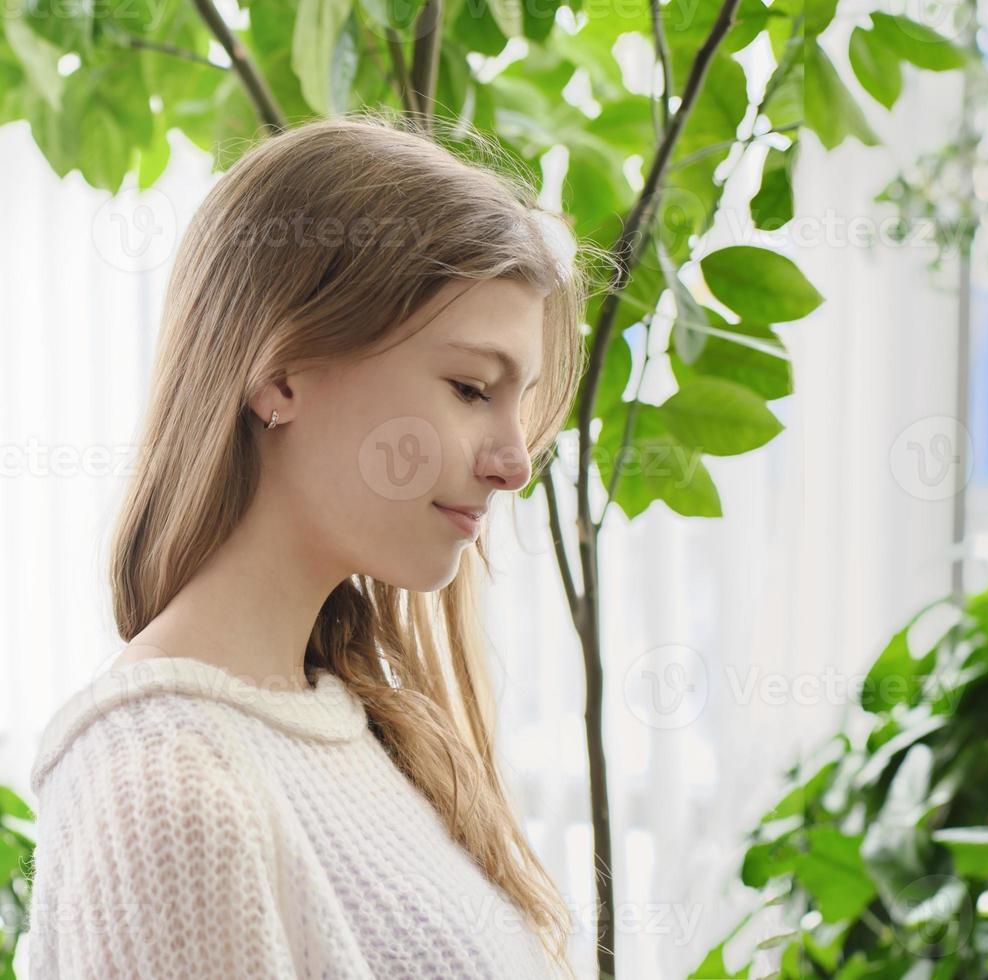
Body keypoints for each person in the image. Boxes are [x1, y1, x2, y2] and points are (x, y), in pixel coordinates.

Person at [23, 112, 589, 979]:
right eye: (471, 388)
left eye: (522, 402)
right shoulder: (169, 793)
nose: (515, 463)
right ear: (281, 375)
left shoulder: (347, 723)